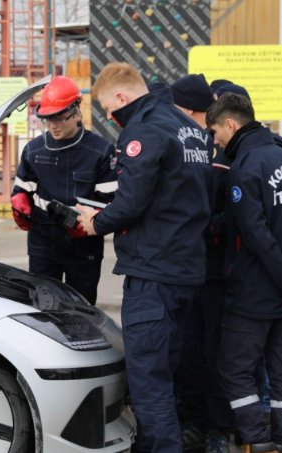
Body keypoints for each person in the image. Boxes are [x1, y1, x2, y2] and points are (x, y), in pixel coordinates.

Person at [77, 62, 213, 453]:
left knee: (148, 376)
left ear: (122, 97)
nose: (108, 116)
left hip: (155, 272)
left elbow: (132, 200)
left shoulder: (144, 129)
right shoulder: (186, 125)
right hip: (187, 267)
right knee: (168, 369)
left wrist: (95, 222)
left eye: (106, 108)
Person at [205, 93, 282, 453]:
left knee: (233, 369)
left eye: (215, 132)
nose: (214, 141)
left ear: (230, 124)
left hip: (254, 297)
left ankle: (259, 443)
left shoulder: (245, 169)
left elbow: (257, 237)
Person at [10, 75, 116, 305]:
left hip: (84, 246)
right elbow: (22, 187)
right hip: (43, 244)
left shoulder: (101, 151)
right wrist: (19, 201)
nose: (53, 125)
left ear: (76, 112)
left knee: (83, 310)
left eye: (59, 118)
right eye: (48, 119)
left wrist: (93, 223)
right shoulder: (33, 150)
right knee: (43, 311)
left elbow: (110, 201)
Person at [170, 74, 234, 453]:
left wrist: (205, 225)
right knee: (187, 352)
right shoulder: (179, 147)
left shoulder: (223, 156)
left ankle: (217, 430)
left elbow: (237, 215)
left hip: (216, 275)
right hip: (181, 272)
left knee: (216, 355)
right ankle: (192, 421)